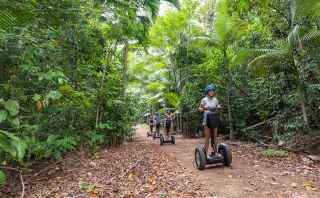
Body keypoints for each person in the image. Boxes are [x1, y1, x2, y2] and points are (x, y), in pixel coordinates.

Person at [198, 84, 222, 157]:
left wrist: (219, 107)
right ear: (207, 92)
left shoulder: (215, 99)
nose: (212, 92)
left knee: (215, 136)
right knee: (207, 137)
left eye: (213, 91)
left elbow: (218, 107)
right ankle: (205, 154)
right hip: (207, 119)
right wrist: (203, 109)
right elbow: (199, 108)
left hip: (214, 119)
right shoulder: (204, 99)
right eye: (210, 91)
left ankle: (216, 152)